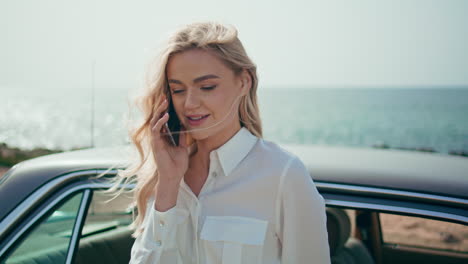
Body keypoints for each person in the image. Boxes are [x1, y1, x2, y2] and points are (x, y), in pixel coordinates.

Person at [124, 21, 330, 264]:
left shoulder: (283, 175)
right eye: (178, 90)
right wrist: (168, 185)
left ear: (244, 82)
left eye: (207, 87)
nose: (189, 103)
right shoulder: (164, 177)